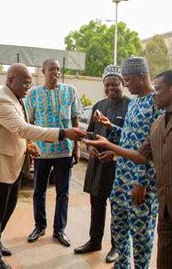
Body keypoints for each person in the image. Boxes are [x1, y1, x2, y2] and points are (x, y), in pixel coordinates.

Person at [85, 70, 172, 269]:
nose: (154, 94)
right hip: (166, 207)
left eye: (157, 90)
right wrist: (109, 145)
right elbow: (142, 156)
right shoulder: (158, 123)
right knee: (165, 262)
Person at [0, 63, 86, 269]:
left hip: (14, 164)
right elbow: (21, 128)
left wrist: (27, 146)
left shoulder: (15, 99)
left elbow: (13, 133)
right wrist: (62, 133)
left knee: (7, 208)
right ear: (10, 79)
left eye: (30, 82)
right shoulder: (2, 101)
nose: (28, 86)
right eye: (24, 82)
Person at [93, 57, 159, 269]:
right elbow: (130, 137)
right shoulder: (136, 102)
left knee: (141, 234)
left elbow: (154, 149)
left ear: (142, 77)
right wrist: (111, 126)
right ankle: (122, 264)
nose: (126, 84)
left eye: (128, 80)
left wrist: (142, 182)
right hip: (121, 179)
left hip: (141, 183)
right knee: (119, 227)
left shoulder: (157, 104)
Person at [73, 65, 130, 263]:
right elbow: (89, 133)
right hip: (97, 165)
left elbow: (132, 140)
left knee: (118, 209)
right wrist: (90, 149)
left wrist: (113, 154)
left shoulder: (130, 106)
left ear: (123, 84)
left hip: (118, 167)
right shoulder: (99, 105)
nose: (111, 88)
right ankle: (94, 241)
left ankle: (117, 246)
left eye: (115, 84)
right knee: (96, 206)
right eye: (107, 85)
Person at [25, 58, 82, 248]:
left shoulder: (70, 91)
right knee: (38, 191)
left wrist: (77, 147)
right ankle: (39, 226)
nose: (56, 72)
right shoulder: (33, 94)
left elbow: (75, 120)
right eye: (52, 69)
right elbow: (29, 124)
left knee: (62, 192)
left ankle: (59, 230)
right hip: (41, 151)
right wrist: (30, 144)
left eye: (58, 69)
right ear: (43, 71)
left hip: (64, 150)